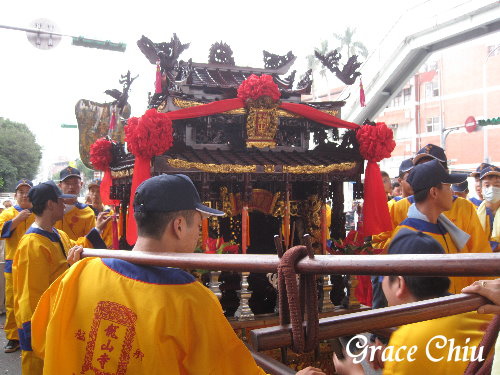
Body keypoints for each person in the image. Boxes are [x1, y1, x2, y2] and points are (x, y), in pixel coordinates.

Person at [31, 174, 324, 375]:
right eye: (199, 223)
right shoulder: (191, 301)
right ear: (179, 225)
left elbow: (41, 341)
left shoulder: (80, 271)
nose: (199, 233)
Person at [333, 229, 492, 375]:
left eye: (385, 277)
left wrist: (355, 373)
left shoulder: (407, 341)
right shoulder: (483, 311)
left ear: (400, 284)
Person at [12, 180, 110, 375]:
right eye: (60, 201)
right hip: (41, 325)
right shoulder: (32, 244)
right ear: (50, 204)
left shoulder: (58, 234)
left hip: (56, 318)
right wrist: (32, 331)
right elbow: (30, 296)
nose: (64, 205)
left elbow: (78, 246)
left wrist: (97, 229)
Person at [390, 159, 492, 293]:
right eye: (448, 187)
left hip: (460, 307)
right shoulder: (407, 236)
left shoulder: (445, 227)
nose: (453, 192)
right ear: (434, 192)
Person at [380, 145, 490, 257]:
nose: (452, 192)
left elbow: (480, 252)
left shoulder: (447, 219)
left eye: (433, 166)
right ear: (434, 192)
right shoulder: (403, 220)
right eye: (420, 167)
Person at [0, 179, 35, 353]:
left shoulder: (38, 212)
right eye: (20, 192)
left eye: (27, 191)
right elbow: (1, 231)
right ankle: (13, 337)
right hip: (12, 262)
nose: (24, 194)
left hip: (34, 263)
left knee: (32, 299)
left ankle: (32, 333)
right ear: (15, 195)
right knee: (12, 302)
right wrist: (17, 220)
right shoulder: (8, 213)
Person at [55, 166, 96, 240]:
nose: (71, 187)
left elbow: (90, 242)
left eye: (75, 183)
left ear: (81, 184)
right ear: (60, 185)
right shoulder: (51, 210)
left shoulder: (87, 213)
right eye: (67, 183)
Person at [476, 164, 500, 252]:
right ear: (481, 190)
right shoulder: (474, 214)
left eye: (497, 185)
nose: (492, 189)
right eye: (487, 185)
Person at [87, 179, 116, 248]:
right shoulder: (84, 213)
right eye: (92, 191)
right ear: (89, 194)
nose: (95, 194)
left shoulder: (110, 214)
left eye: (98, 191)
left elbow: (112, 236)